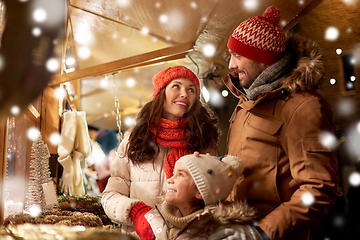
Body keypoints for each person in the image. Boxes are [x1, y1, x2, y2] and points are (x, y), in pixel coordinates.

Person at [219, 6, 339, 240]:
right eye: (231, 55)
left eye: (238, 56)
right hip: (236, 231)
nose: (231, 65)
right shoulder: (246, 102)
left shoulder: (303, 107)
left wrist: (263, 232)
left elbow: (318, 187)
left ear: (263, 61)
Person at [101, 66, 219, 236]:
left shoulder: (205, 141)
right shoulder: (135, 140)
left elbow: (214, 199)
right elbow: (111, 196)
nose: (185, 94)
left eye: (191, 89)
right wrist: (136, 212)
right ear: (161, 93)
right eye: (176, 86)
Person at [131, 153, 262, 240]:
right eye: (173, 173)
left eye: (181, 175)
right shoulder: (163, 221)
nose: (170, 179)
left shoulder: (229, 234)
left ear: (200, 191)